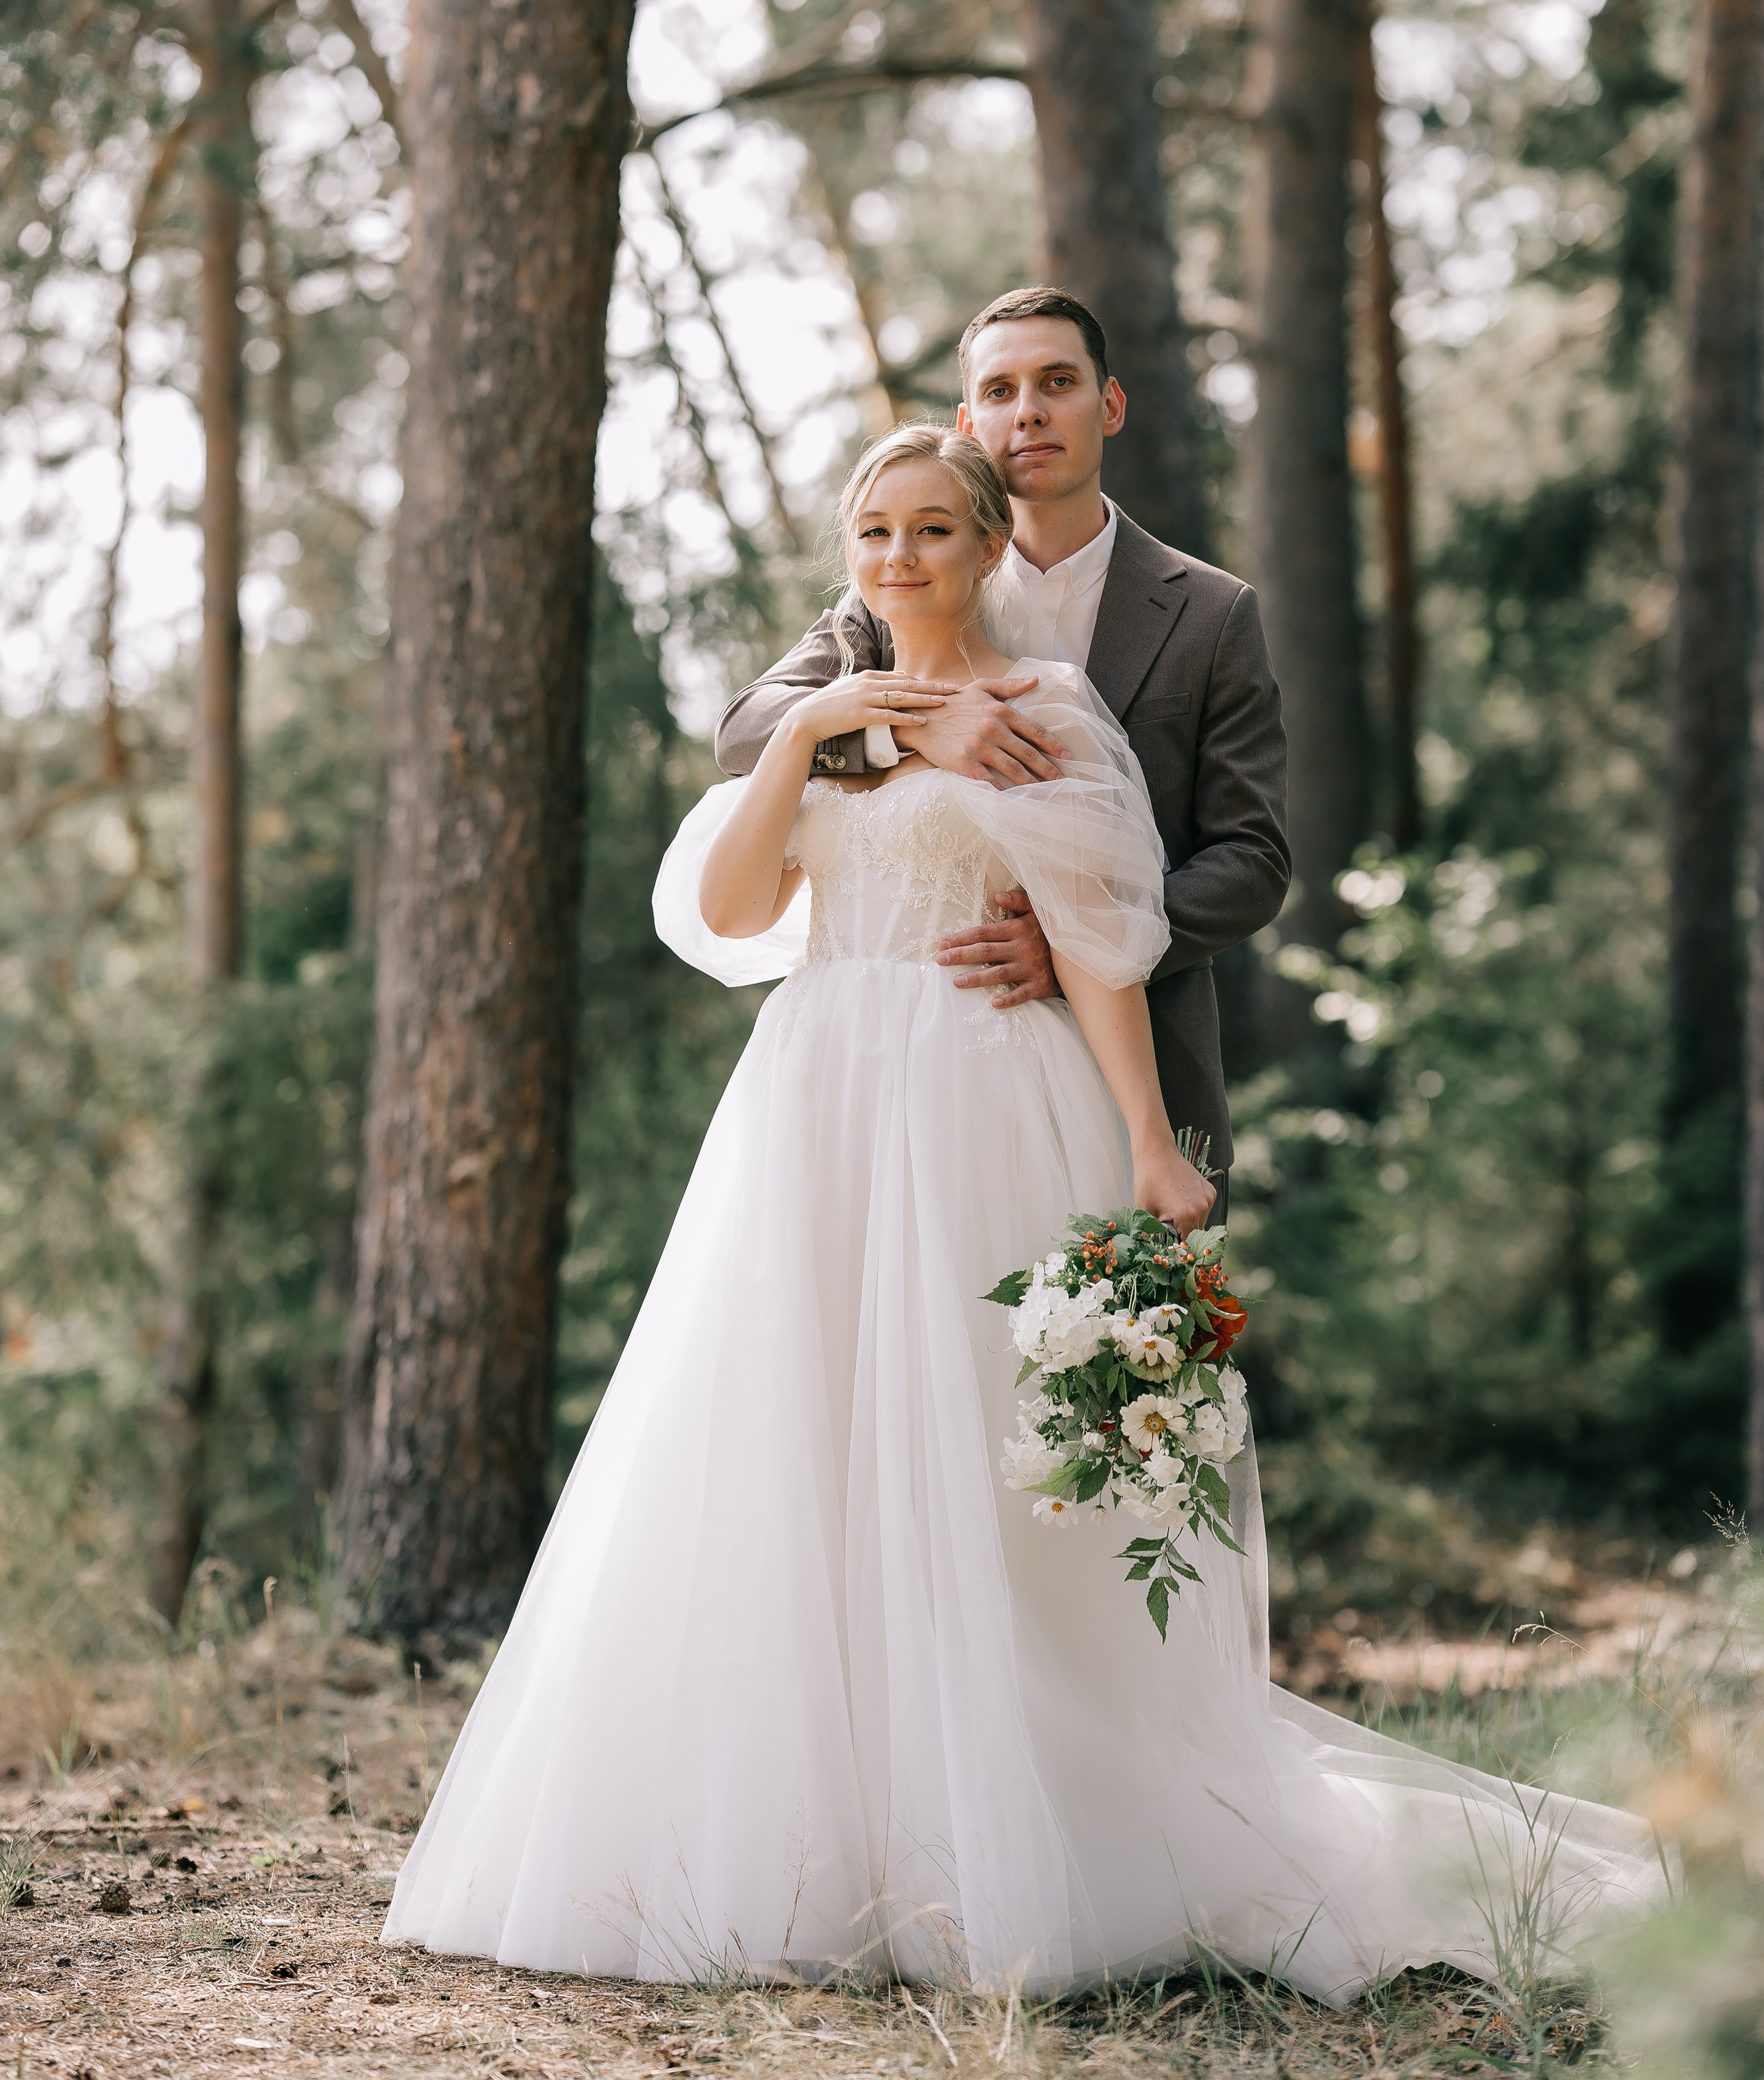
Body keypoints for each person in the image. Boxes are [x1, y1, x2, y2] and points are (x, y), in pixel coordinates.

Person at [384, 425, 1665, 1999]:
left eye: (932, 530)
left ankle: (1011, 1825)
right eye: (874, 533)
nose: (900, 558)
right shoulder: (824, 713)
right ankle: (806, 1838)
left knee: (971, 1452)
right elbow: (726, 916)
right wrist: (814, 734)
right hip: (813, 1102)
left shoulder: (1045, 712)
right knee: (794, 1442)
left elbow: (1099, 939)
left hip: (982, 1095)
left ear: (990, 546)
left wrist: (1149, 1143)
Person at [716, 286, 1290, 1203]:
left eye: (1057, 383)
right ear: (969, 419)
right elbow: (751, 725)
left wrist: (1080, 941)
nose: (1027, 411)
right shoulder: (897, 587)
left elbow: (1253, 858)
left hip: (1142, 1057)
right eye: (1000, 390)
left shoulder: (1213, 614)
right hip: (908, 1076)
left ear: (1109, 405)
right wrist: (917, 731)